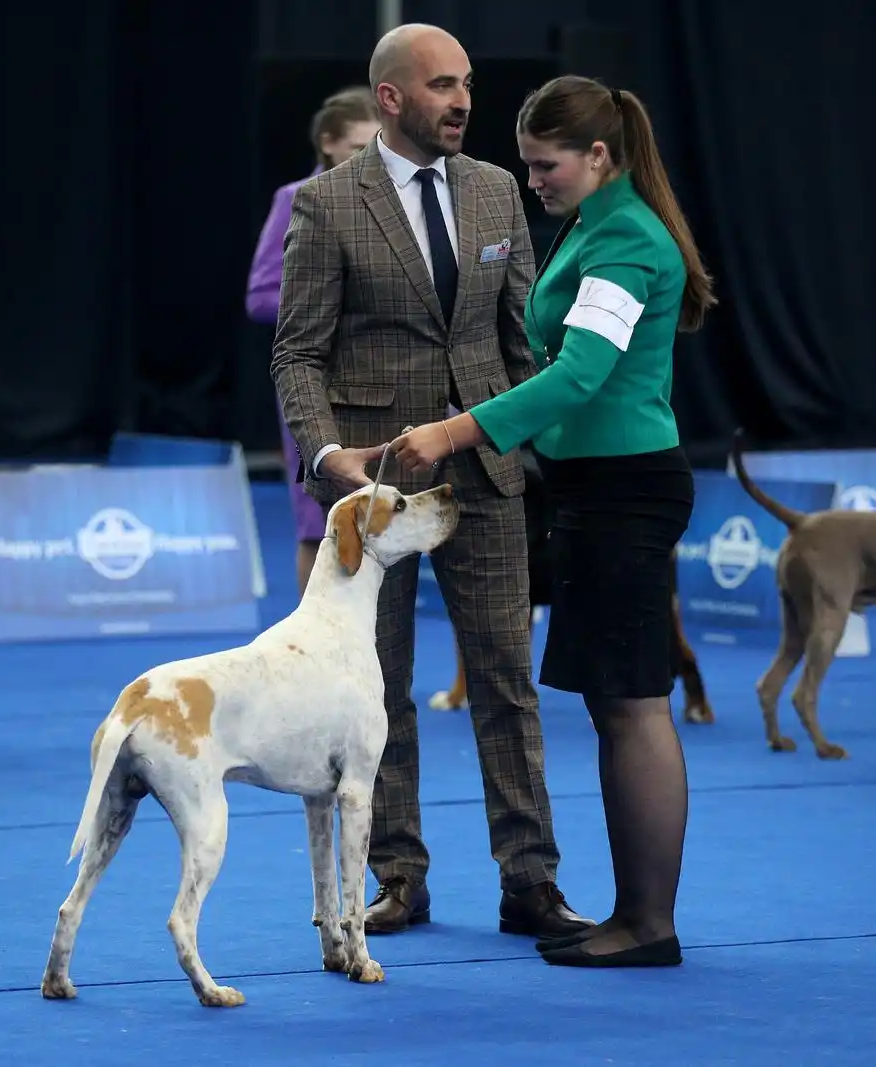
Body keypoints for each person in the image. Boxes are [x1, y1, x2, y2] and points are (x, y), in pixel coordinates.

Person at [271, 23, 592, 942]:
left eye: (467, 85)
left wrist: (535, 449)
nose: (462, 101)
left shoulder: (496, 190)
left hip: (485, 475)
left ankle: (530, 879)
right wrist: (329, 458)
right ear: (391, 100)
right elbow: (297, 352)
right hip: (372, 498)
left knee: (506, 680)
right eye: (443, 86)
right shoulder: (326, 203)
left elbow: (524, 341)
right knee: (378, 689)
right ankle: (398, 875)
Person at [393, 74, 716, 968]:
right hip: (592, 490)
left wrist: (455, 431)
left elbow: (579, 376)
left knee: (634, 707)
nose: (533, 182)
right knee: (621, 706)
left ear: (600, 157)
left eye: (547, 167)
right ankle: (636, 914)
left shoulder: (625, 244)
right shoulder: (593, 224)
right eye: (530, 167)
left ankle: (647, 923)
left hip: (625, 492)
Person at [247, 87, 380, 595]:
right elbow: (259, 297)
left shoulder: (396, 202)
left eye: (377, 146)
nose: (367, 159)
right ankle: (310, 657)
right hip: (314, 384)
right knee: (317, 520)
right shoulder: (296, 198)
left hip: (383, 378)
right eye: (356, 147)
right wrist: (333, 301)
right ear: (327, 144)